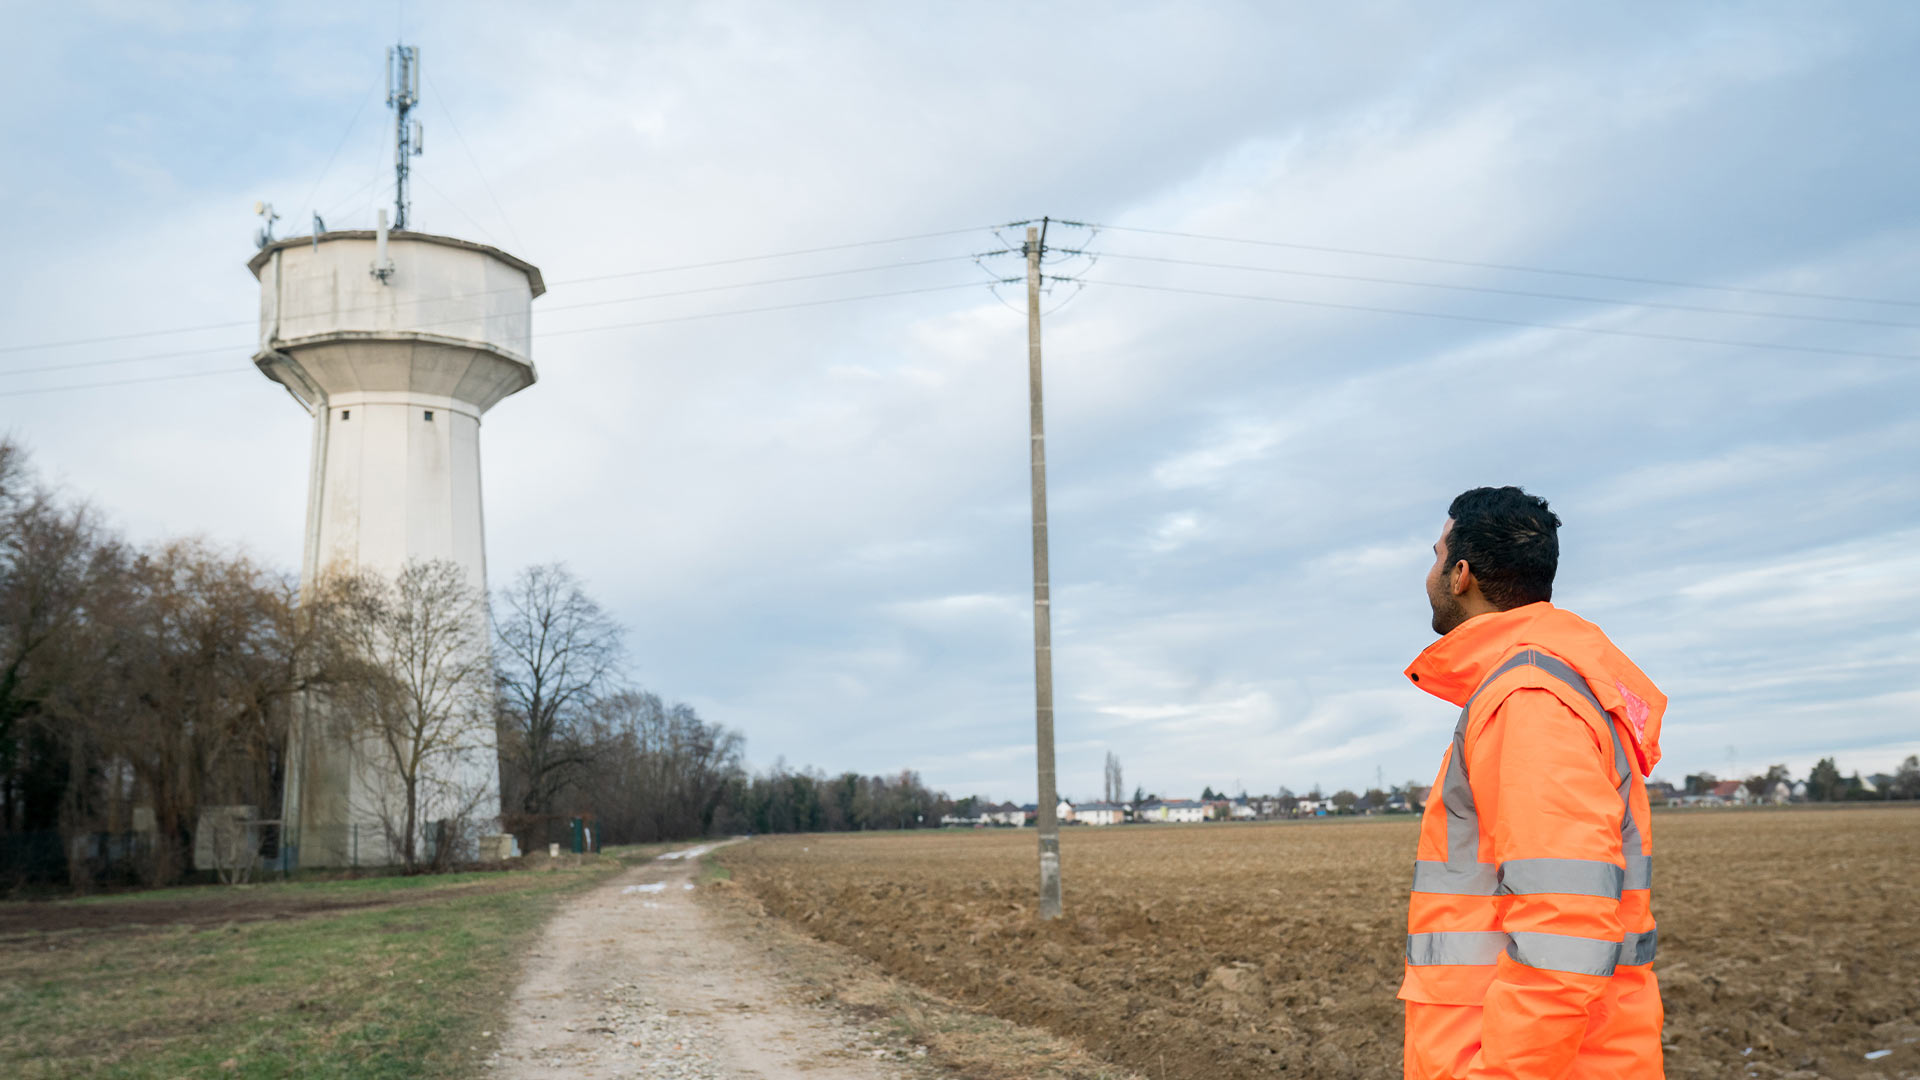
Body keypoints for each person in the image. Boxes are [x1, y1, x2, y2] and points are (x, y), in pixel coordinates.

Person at [1401, 487, 1666, 1079]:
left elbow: (1563, 926)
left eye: (1436, 557)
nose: (1430, 574)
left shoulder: (1530, 699)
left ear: (1461, 575)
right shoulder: (1544, 685)